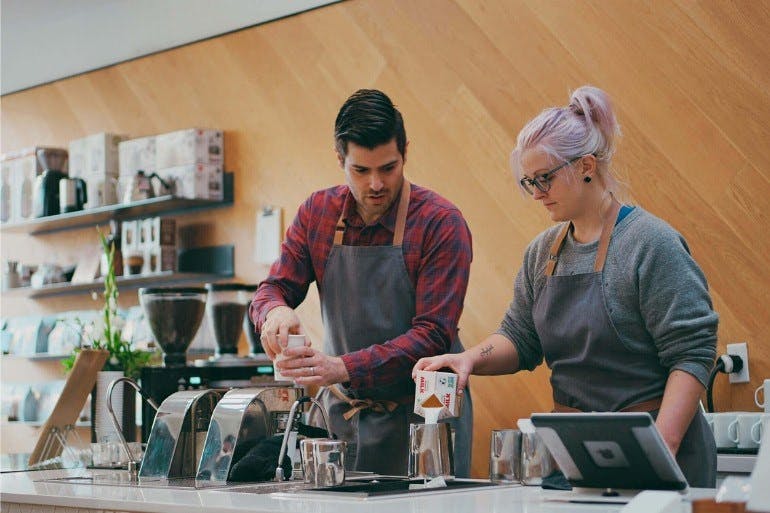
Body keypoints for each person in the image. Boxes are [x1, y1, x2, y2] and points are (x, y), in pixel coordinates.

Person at [414, 85, 718, 487]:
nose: (537, 194)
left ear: (587, 165)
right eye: (528, 182)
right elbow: (520, 338)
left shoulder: (651, 244)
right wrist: (469, 359)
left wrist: (663, 445)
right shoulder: (542, 254)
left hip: (660, 457)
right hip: (579, 456)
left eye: (545, 179)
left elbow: (693, 353)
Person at [250, 89, 474, 477]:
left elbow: (433, 334)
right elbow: (272, 289)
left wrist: (342, 367)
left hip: (427, 417)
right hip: (341, 418)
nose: (376, 184)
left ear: (405, 152)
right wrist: (275, 311)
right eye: (361, 170)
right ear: (340, 159)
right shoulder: (317, 214)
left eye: (388, 168)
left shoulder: (441, 223)